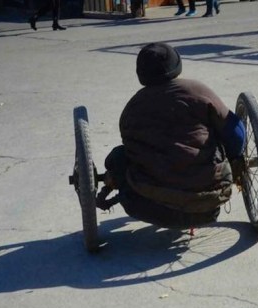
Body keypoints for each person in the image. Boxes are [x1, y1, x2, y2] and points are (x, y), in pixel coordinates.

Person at [96, 43, 246, 230]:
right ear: (177, 64)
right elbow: (237, 135)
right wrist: (233, 161)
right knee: (219, 133)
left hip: (145, 207)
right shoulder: (197, 90)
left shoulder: (131, 109)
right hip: (208, 203)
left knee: (118, 156)